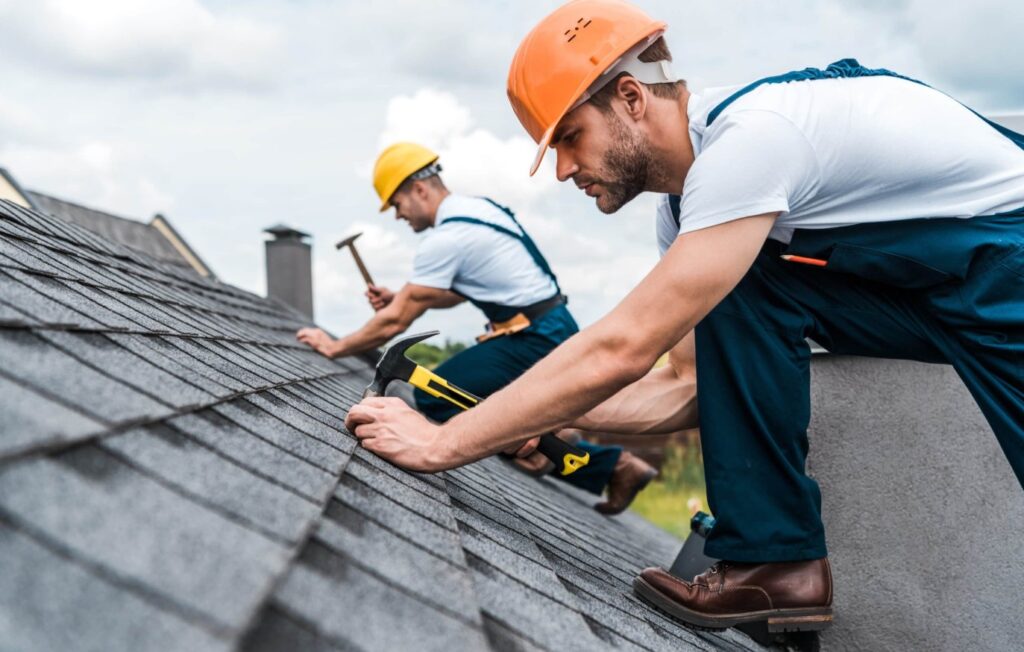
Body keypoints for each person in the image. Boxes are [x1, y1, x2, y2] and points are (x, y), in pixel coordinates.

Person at [343, 0, 1024, 634]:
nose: (562, 171)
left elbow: (624, 347)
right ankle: (776, 561)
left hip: (1007, 263)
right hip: (936, 289)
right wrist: (538, 420)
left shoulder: (751, 144)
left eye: (570, 138)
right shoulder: (695, 218)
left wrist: (445, 441)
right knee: (747, 284)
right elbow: (687, 385)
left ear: (631, 98)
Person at [297, 141, 657, 514]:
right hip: (547, 327)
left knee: (435, 396)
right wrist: (401, 296)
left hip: (533, 337)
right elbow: (453, 294)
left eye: (397, 205)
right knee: (483, 402)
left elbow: (396, 320)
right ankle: (590, 457)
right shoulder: (478, 211)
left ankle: (568, 451)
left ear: (419, 189)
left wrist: (334, 346)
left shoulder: (447, 237)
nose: (398, 216)